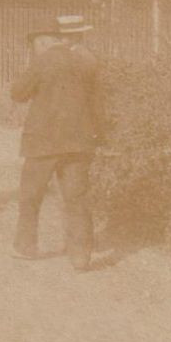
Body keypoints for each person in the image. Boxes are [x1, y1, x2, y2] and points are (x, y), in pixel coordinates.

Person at [10, 14, 104, 270]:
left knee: (31, 195)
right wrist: (99, 137)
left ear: (45, 41)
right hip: (79, 141)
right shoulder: (87, 62)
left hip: (43, 142)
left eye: (36, 42)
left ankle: (26, 246)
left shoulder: (42, 61)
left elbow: (18, 93)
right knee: (77, 198)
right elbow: (98, 103)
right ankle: (81, 255)